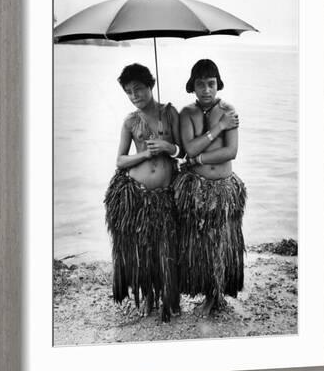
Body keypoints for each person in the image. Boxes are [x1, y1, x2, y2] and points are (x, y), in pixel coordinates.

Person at [104, 63, 182, 322]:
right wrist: (146, 153)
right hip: (138, 194)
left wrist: (168, 147)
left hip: (164, 195)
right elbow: (120, 160)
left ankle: (168, 298)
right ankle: (147, 297)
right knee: (143, 250)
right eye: (129, 92)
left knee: (165, 248)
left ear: (151, 85)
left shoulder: (169, 114)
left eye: (138, 89)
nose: (134, 96)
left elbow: (184, 150)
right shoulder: (130, 121)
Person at [174, 59, 247, 316]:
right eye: (201, 84)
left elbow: (231, 152)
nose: (206, 90)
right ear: (192, 86)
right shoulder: (187, 113)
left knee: (221, 243)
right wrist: (219, 127)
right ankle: (206, 292)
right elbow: (188, 149)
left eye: (211, 84)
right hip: (197, 188)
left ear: (218, 84)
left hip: (224, 189)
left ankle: (217, 295)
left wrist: (199, 159)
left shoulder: (229, 110)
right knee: (200, 244)